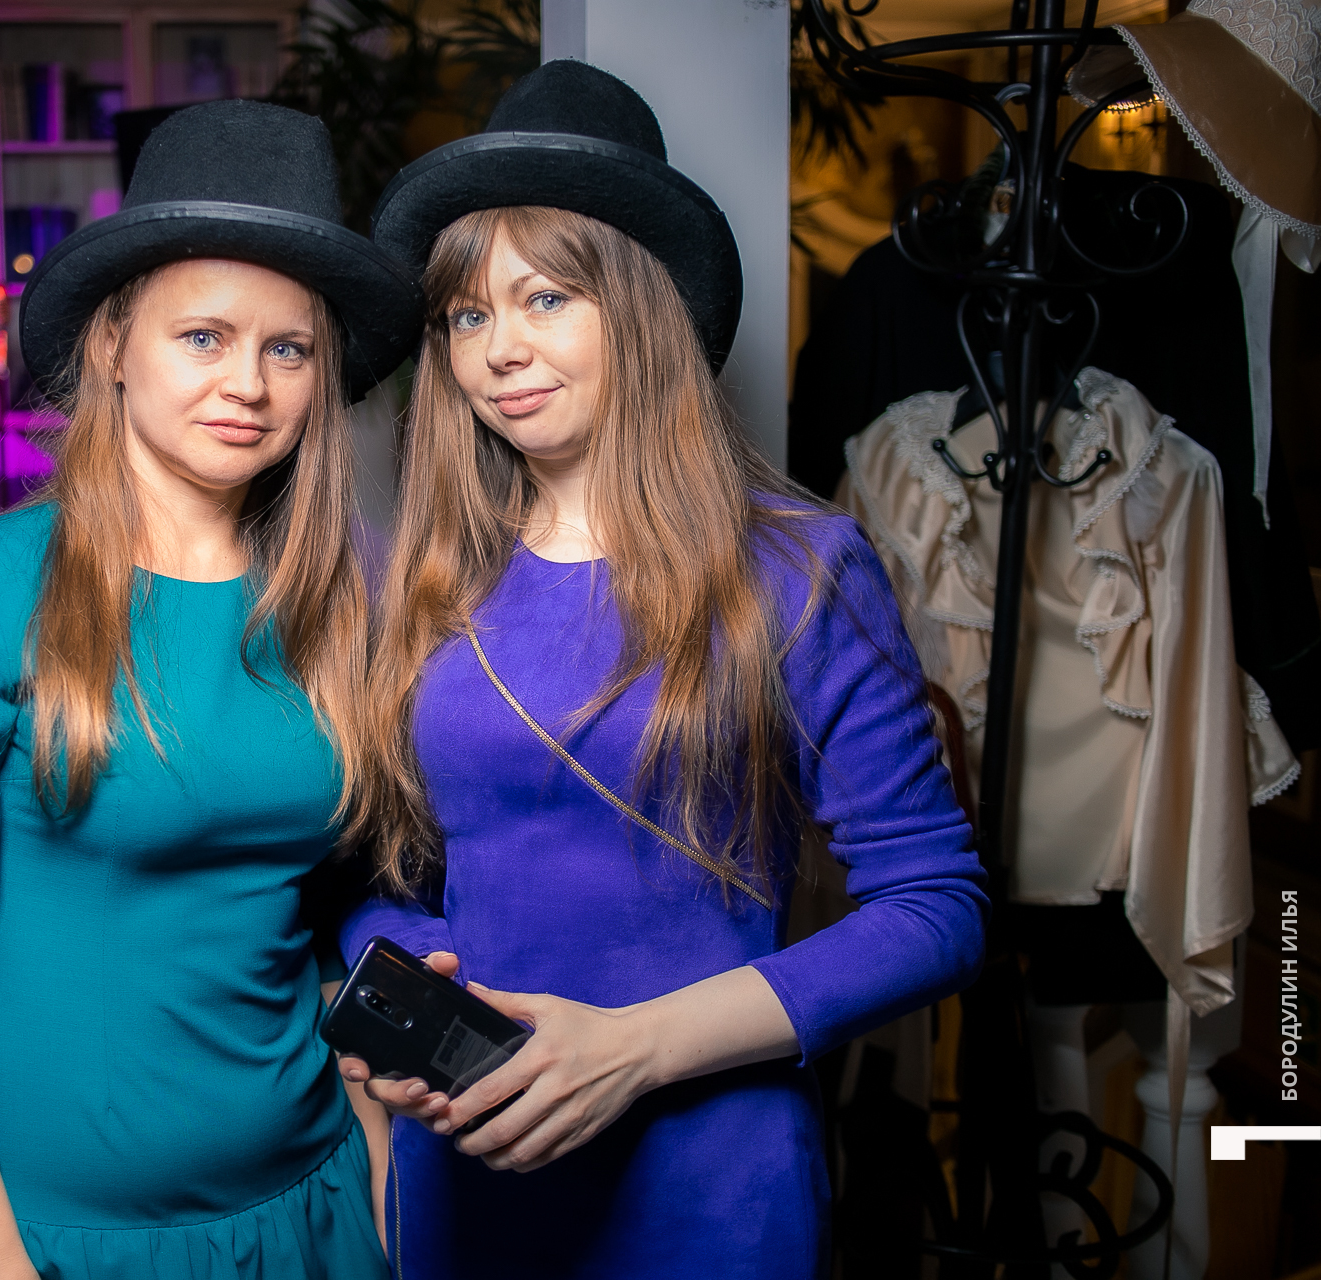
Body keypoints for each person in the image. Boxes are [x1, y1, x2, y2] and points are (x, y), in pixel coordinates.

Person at [337, 62, 989, 1278]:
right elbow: (386, 879)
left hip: (709, 1182)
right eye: (466, 316)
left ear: (641, 308)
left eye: (545, 298)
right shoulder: (422, 581)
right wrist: (406, 991)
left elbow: (934, 908)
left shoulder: (799, 569)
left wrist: (635, 1047)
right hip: (467, 1170)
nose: (499, 350)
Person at [0, 99, 421, 1280]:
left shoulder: (337, 603)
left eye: (288, 348)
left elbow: (331, 913)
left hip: (311, 1201)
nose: (248, 383)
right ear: (114, 343)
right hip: (52, 1237)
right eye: (204, 336)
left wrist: (377, 1155)